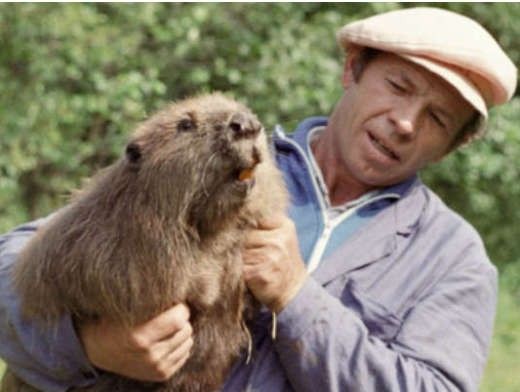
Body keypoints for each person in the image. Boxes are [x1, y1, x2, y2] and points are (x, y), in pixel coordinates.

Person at [0, 7, 517, 392]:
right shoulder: (214, 154)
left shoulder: (453, 260)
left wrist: (298, 298)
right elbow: (15, 270)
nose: (405, 122)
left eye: (437, 118)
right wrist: (90, 346)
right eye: (398, 86)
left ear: (453, 145)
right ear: (352, 69)